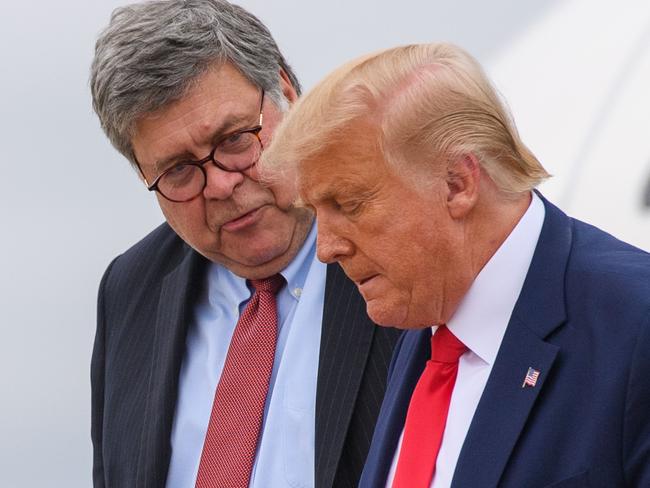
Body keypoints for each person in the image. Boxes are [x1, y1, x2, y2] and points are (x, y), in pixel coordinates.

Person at [260, 43, 650, 487]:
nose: (325, 249)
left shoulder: (634, 324)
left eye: (348, 204)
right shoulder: (424, 319)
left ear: (457, 183)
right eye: (315, 212)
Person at [89, 1, 399, 487]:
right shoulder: (130, 291)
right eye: (179, 171)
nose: (219, 185)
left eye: (235, 140)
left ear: (288, 94)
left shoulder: (400, 241)